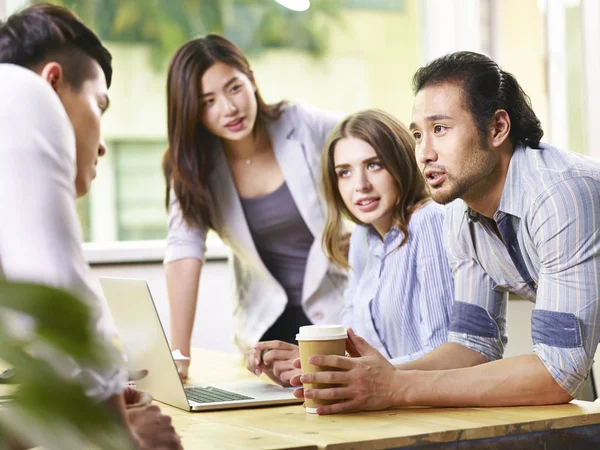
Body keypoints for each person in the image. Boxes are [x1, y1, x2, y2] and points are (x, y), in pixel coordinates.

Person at [290, 51, 600, 414]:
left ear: (498, 128)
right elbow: (472, 345)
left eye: (440, 129)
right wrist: (363, 379)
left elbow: (559, 372)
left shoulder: (558, 194)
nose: (423, 152)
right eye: (418, 134)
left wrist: (396, 386)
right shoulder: (460, 213)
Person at [0, 4, 181, 448]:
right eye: (99, 105)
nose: (101, 145)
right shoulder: (21, 92)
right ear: (53, 82)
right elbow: (61, 305)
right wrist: (119, 435)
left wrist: (95, 406)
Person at [163, 34, 348, 379]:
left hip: (334, 313)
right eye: (207, 102)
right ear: (191, 111)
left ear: (251, 78)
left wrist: (367, 234)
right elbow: (184, 249)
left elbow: (375, 146)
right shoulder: (193, 167)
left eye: (234, 88)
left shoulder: (300, 124)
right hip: (266, 327)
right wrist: (179, 355)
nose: (229, 108)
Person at [247, 109, 454, 386]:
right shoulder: (362, 238)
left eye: (374, 165)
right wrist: (306, 364)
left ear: (401, 164)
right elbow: (358, 348)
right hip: (383, 405)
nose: (360, 185)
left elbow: (444, 355)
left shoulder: (429, 222)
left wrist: (343, 372)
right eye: (344, 172)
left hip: (433, 406)